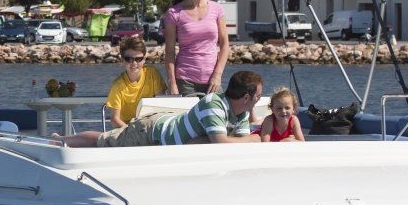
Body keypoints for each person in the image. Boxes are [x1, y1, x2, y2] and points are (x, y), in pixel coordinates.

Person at [64, 70, 263, 147]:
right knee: (105, 140)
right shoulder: (214, 104)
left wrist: (205, 140)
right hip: (152, 131)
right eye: (258, 97)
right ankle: (61, 141)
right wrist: (255, 138)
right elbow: (222, 142)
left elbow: (236, 142)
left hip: (167, 133)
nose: (259, 100)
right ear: (246, 97)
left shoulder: (241, 113)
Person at [162, 0, 230, 96]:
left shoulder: (217, 9)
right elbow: (169, 52)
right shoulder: (174, 13)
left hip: (213, 81)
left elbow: (225, 45)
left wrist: (217, 75)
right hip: (185, 80)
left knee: (216, 116)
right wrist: (173, 84)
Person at [103, 36, 166, 130]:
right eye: (129, 59)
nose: (134, 63)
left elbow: (161, 104)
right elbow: (115, 119)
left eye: (138, 59)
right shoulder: (117, 85)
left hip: (151, 127)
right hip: (127, 130)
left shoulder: (153, 74)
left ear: (144, 59)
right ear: (122, 60)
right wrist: (133, 131)